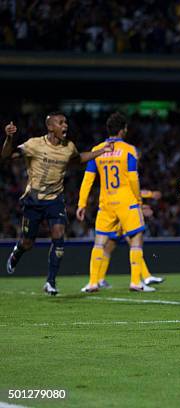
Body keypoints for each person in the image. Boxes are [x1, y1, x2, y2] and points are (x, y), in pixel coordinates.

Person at [2, 113, 113, 295]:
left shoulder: (69, 147)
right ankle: (17, 252)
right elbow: (6, 156)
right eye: (61, 123)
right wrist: (8, 137)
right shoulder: (34, 144)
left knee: (59, 236)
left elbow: (78, 159)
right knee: (28, 243)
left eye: (66, 122)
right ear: (50, 127)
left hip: (55, 200)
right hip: (34, 200)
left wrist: (101, 151)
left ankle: (50, 282)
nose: (65, 125)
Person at [77, 112, 154, 293]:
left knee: (99, 242)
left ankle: (93, 282)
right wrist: (139, 201)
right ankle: (136, 282)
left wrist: (81, 204)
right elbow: (133, 178)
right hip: (127, 201)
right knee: (136, 240)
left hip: (106, 202)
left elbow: (87, 180)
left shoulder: (97, 150)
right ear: (122, 130)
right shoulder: (129, 150)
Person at [78, 189, 165, 290]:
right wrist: (150, 195)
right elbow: (133, 192)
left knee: (108, 247)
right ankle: (145, 277)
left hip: (114, 214)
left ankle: (98, 280)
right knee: (133, 245)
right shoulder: (125, 178)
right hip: (120, 217)